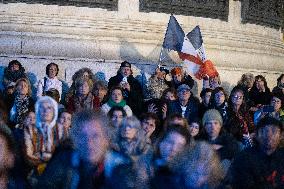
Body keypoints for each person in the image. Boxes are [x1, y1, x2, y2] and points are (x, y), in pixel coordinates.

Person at [36, 110, 110, 188]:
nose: (89, 143)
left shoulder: (117, 166)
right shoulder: (64, 159)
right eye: (83, 136)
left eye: (95, 136)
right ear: (75, 139)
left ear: (106, 139)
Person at [229, 117, 284, 189]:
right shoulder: (244, 159)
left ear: (281, 135)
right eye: (264, 131)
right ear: (256, 135)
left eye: (274, 131)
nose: (269, 135)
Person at [24, 96, 59, 176]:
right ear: (37, 110)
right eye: (42, 107)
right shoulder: (30, 129)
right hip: (34, 171)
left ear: (54, 111)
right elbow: (28, 154)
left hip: (57, 172)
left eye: (49, 108)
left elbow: (64, 156)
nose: (45, 111)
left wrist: (43, 156)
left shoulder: (60, 130)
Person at [151, 124, 191, 189]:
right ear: (160, 142)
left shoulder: (185, 179)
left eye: (180, 146)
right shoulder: (144, 165)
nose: (173, 149)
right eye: (170, 142)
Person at [201, 109, 240, 173]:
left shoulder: (228, 139)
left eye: (216, 123)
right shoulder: (201, 139)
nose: (213, 127)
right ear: (205, 126)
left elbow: (234, 150)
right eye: (209, 123)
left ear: (220, 125)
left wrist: (219, 149)